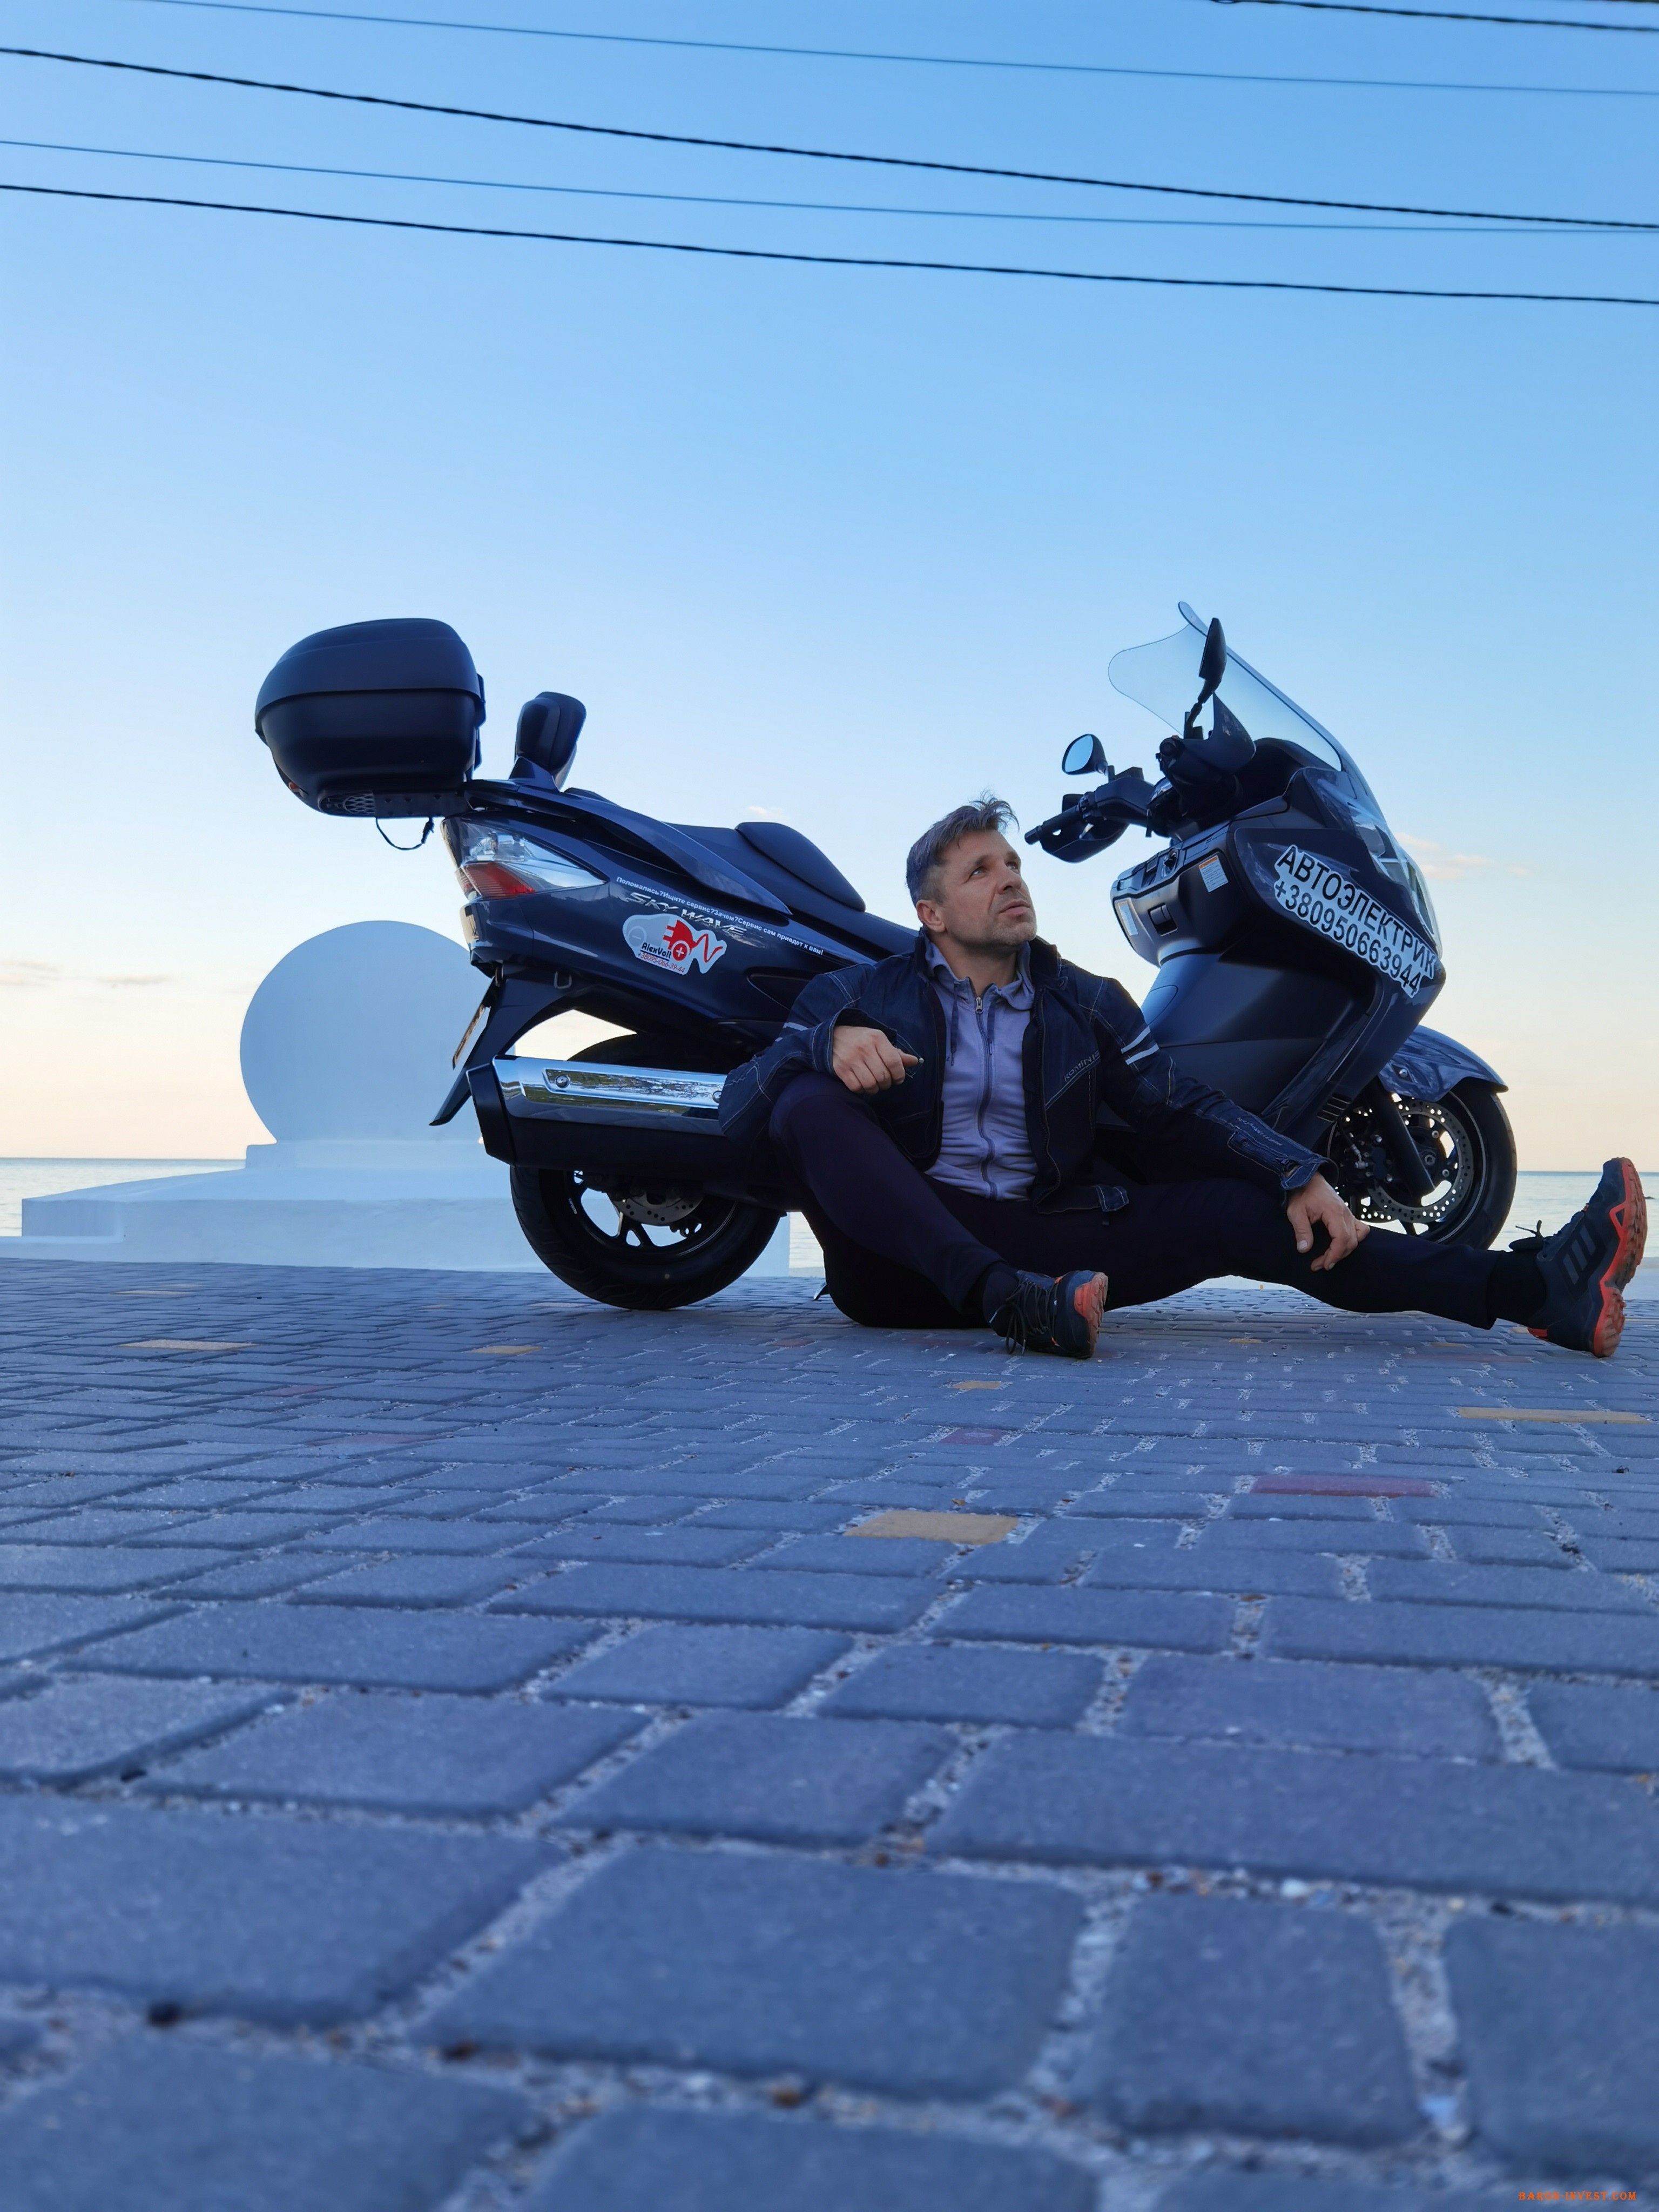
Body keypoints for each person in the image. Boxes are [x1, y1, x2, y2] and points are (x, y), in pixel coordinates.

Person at [718, 798, 1646, 1361]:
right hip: (895, 1262)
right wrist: (822, 1046)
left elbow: (1178, 1108)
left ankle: (1540, 1294)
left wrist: (1295, 1171)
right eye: (979, 871)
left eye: (1013, 864)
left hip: (1048, 1246)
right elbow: (739, 1110)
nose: (1010, 880)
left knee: (1258, 1216)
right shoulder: (858, 996)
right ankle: (1002, 1300)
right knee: (807, 1100)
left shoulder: (1087, 1002)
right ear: (931, 913)